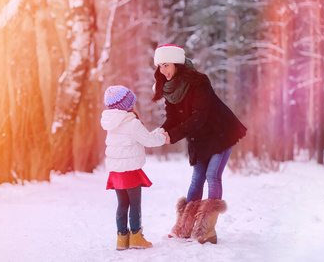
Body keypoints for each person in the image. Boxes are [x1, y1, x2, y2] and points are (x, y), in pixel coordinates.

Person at [152, 44, 247, 244]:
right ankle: (184, 226)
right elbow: (172, 118)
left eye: (167, 65)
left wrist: (174, 134)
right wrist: (163, 131)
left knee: (213, 175)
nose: (163, 71)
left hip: (220, 132)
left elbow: (199, 116)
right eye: (160, 66)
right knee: (196, 180)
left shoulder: (199, 82)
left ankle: (207, 229)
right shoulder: (170, 90)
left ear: (177, 63)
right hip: (198, 137)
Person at [101, 85, 169, 250]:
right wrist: (162, 138)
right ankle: (136, 237)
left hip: (116, 171)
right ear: (127, 105)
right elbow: (148, 141)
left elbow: (138, 138)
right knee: (135, 204)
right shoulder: (132, 123)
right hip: (130, 170)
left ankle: (122, 239)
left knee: (122, 205)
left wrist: (157, 133)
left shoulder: (112, 123)